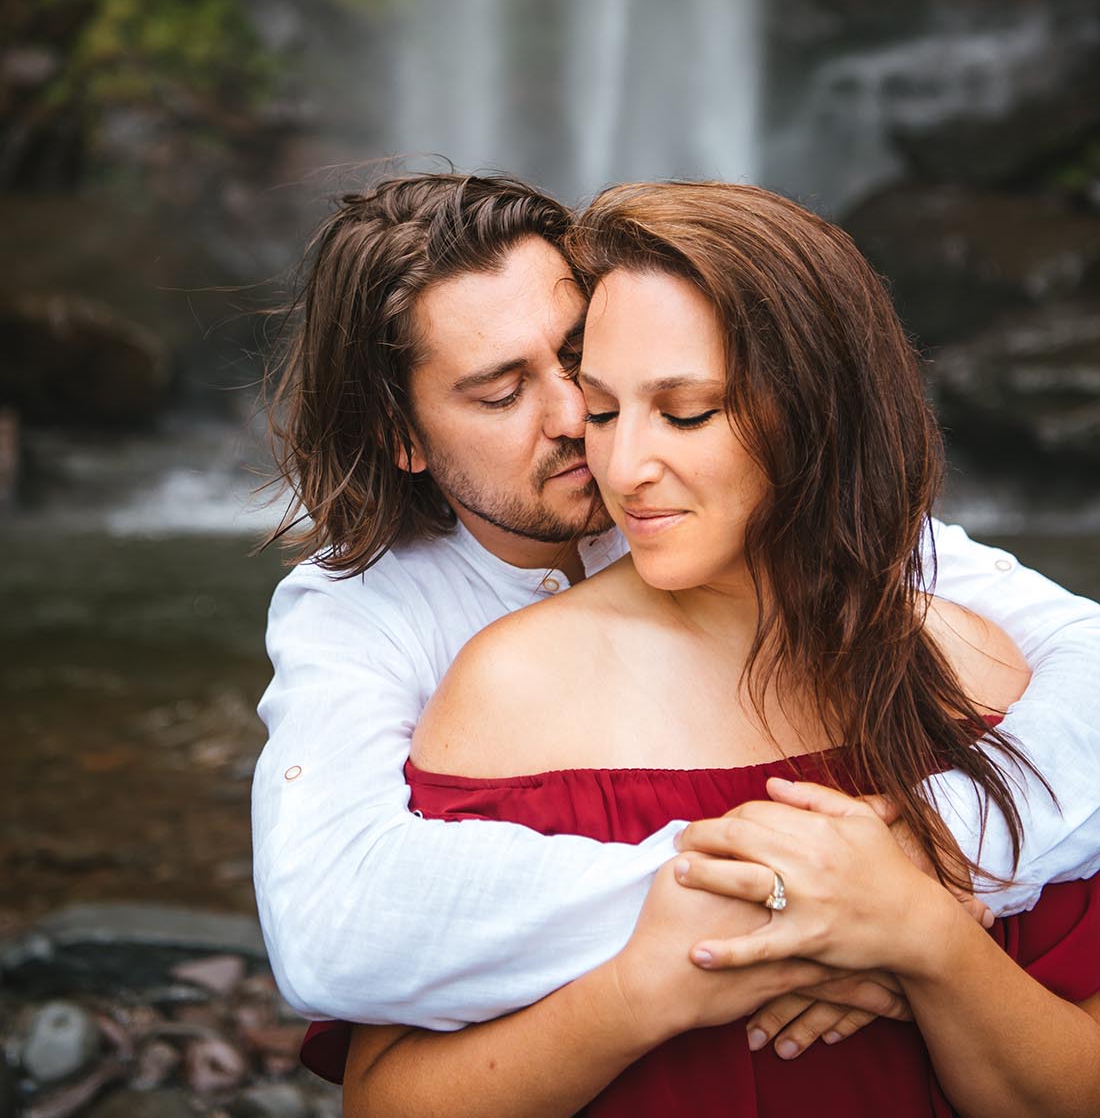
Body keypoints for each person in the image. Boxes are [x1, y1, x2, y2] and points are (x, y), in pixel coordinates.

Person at [252, 171, 1100, 1062]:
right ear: (404, 436)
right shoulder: (358, 608)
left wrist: (927, 854)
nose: (584, 421)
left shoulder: (758, 510)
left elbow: (1085, 656)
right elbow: (332, 923)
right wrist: (785, 898)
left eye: (581, 360)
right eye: (502, 394)